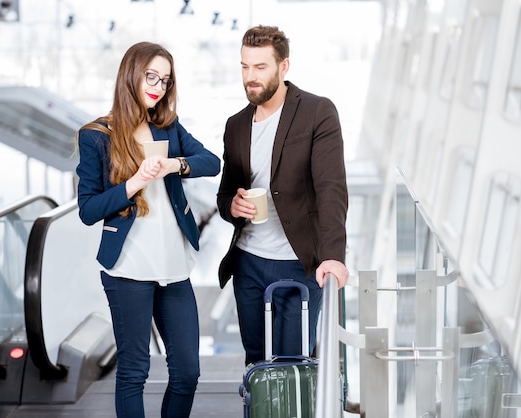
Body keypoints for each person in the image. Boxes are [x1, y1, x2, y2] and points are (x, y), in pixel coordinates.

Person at [75, 41, 221, 418]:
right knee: (134, 372)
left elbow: (211, 162)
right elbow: (88, 210)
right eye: (151, 76)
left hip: (173, 267)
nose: (158, 86)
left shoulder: (168, 128)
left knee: (188, 371)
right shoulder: (96, 135)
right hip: (127, 269)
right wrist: (134, 182)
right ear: (132, 76)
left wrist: (176, 165)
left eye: (166, 80)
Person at [216, 25, 350, 366]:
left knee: (292, 366)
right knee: (256, 363)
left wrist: (334, 255)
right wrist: (233, 205)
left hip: (297, 263)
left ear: (283, 66)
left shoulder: (317, 112)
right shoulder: (236, 125)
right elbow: (225, 194)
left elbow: (331, 188)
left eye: (260, 67)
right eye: (245, 67)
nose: (250, 77)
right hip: (248, 262)